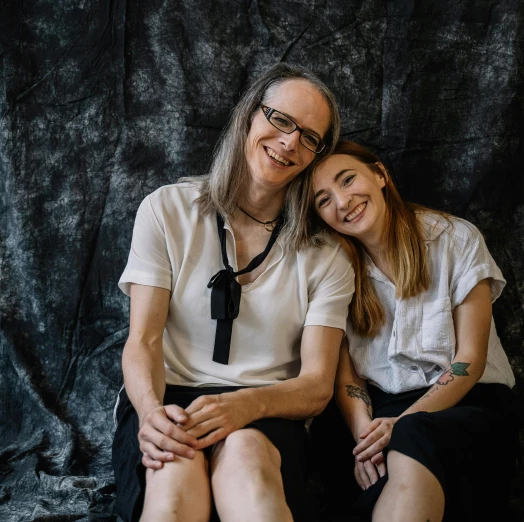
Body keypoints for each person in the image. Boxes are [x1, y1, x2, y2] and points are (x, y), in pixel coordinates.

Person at [111, 64, 354, 522]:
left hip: (268, 407)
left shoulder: (327, 256)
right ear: (248, 116)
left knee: (247, 461)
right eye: (280, 120)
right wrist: (149, 414)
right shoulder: (166, 210)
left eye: (309, 137)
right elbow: (142, 341)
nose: (289, 143)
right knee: (175, 476)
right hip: (167, 398)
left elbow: (318, 386)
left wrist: (246, 405)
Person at [308, 140, 519, 522]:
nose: (342, 202)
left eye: (347, 179)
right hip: (382, 412)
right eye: (323, 200)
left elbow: (470, 360)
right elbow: (347, 374)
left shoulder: (455, 238)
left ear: (379, 174)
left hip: (470, 403)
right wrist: (364, 439)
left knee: (412, 438)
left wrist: (401, 425)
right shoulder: (330, 269)